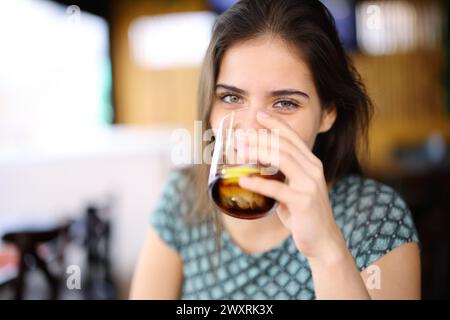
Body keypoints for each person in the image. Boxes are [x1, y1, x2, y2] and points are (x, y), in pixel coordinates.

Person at [130, 0, 420, 300]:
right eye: (231, 97)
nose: (252, 129)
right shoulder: (183, 197)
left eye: (285, 103)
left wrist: (325, 249)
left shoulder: (375, 216)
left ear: (327, 113)